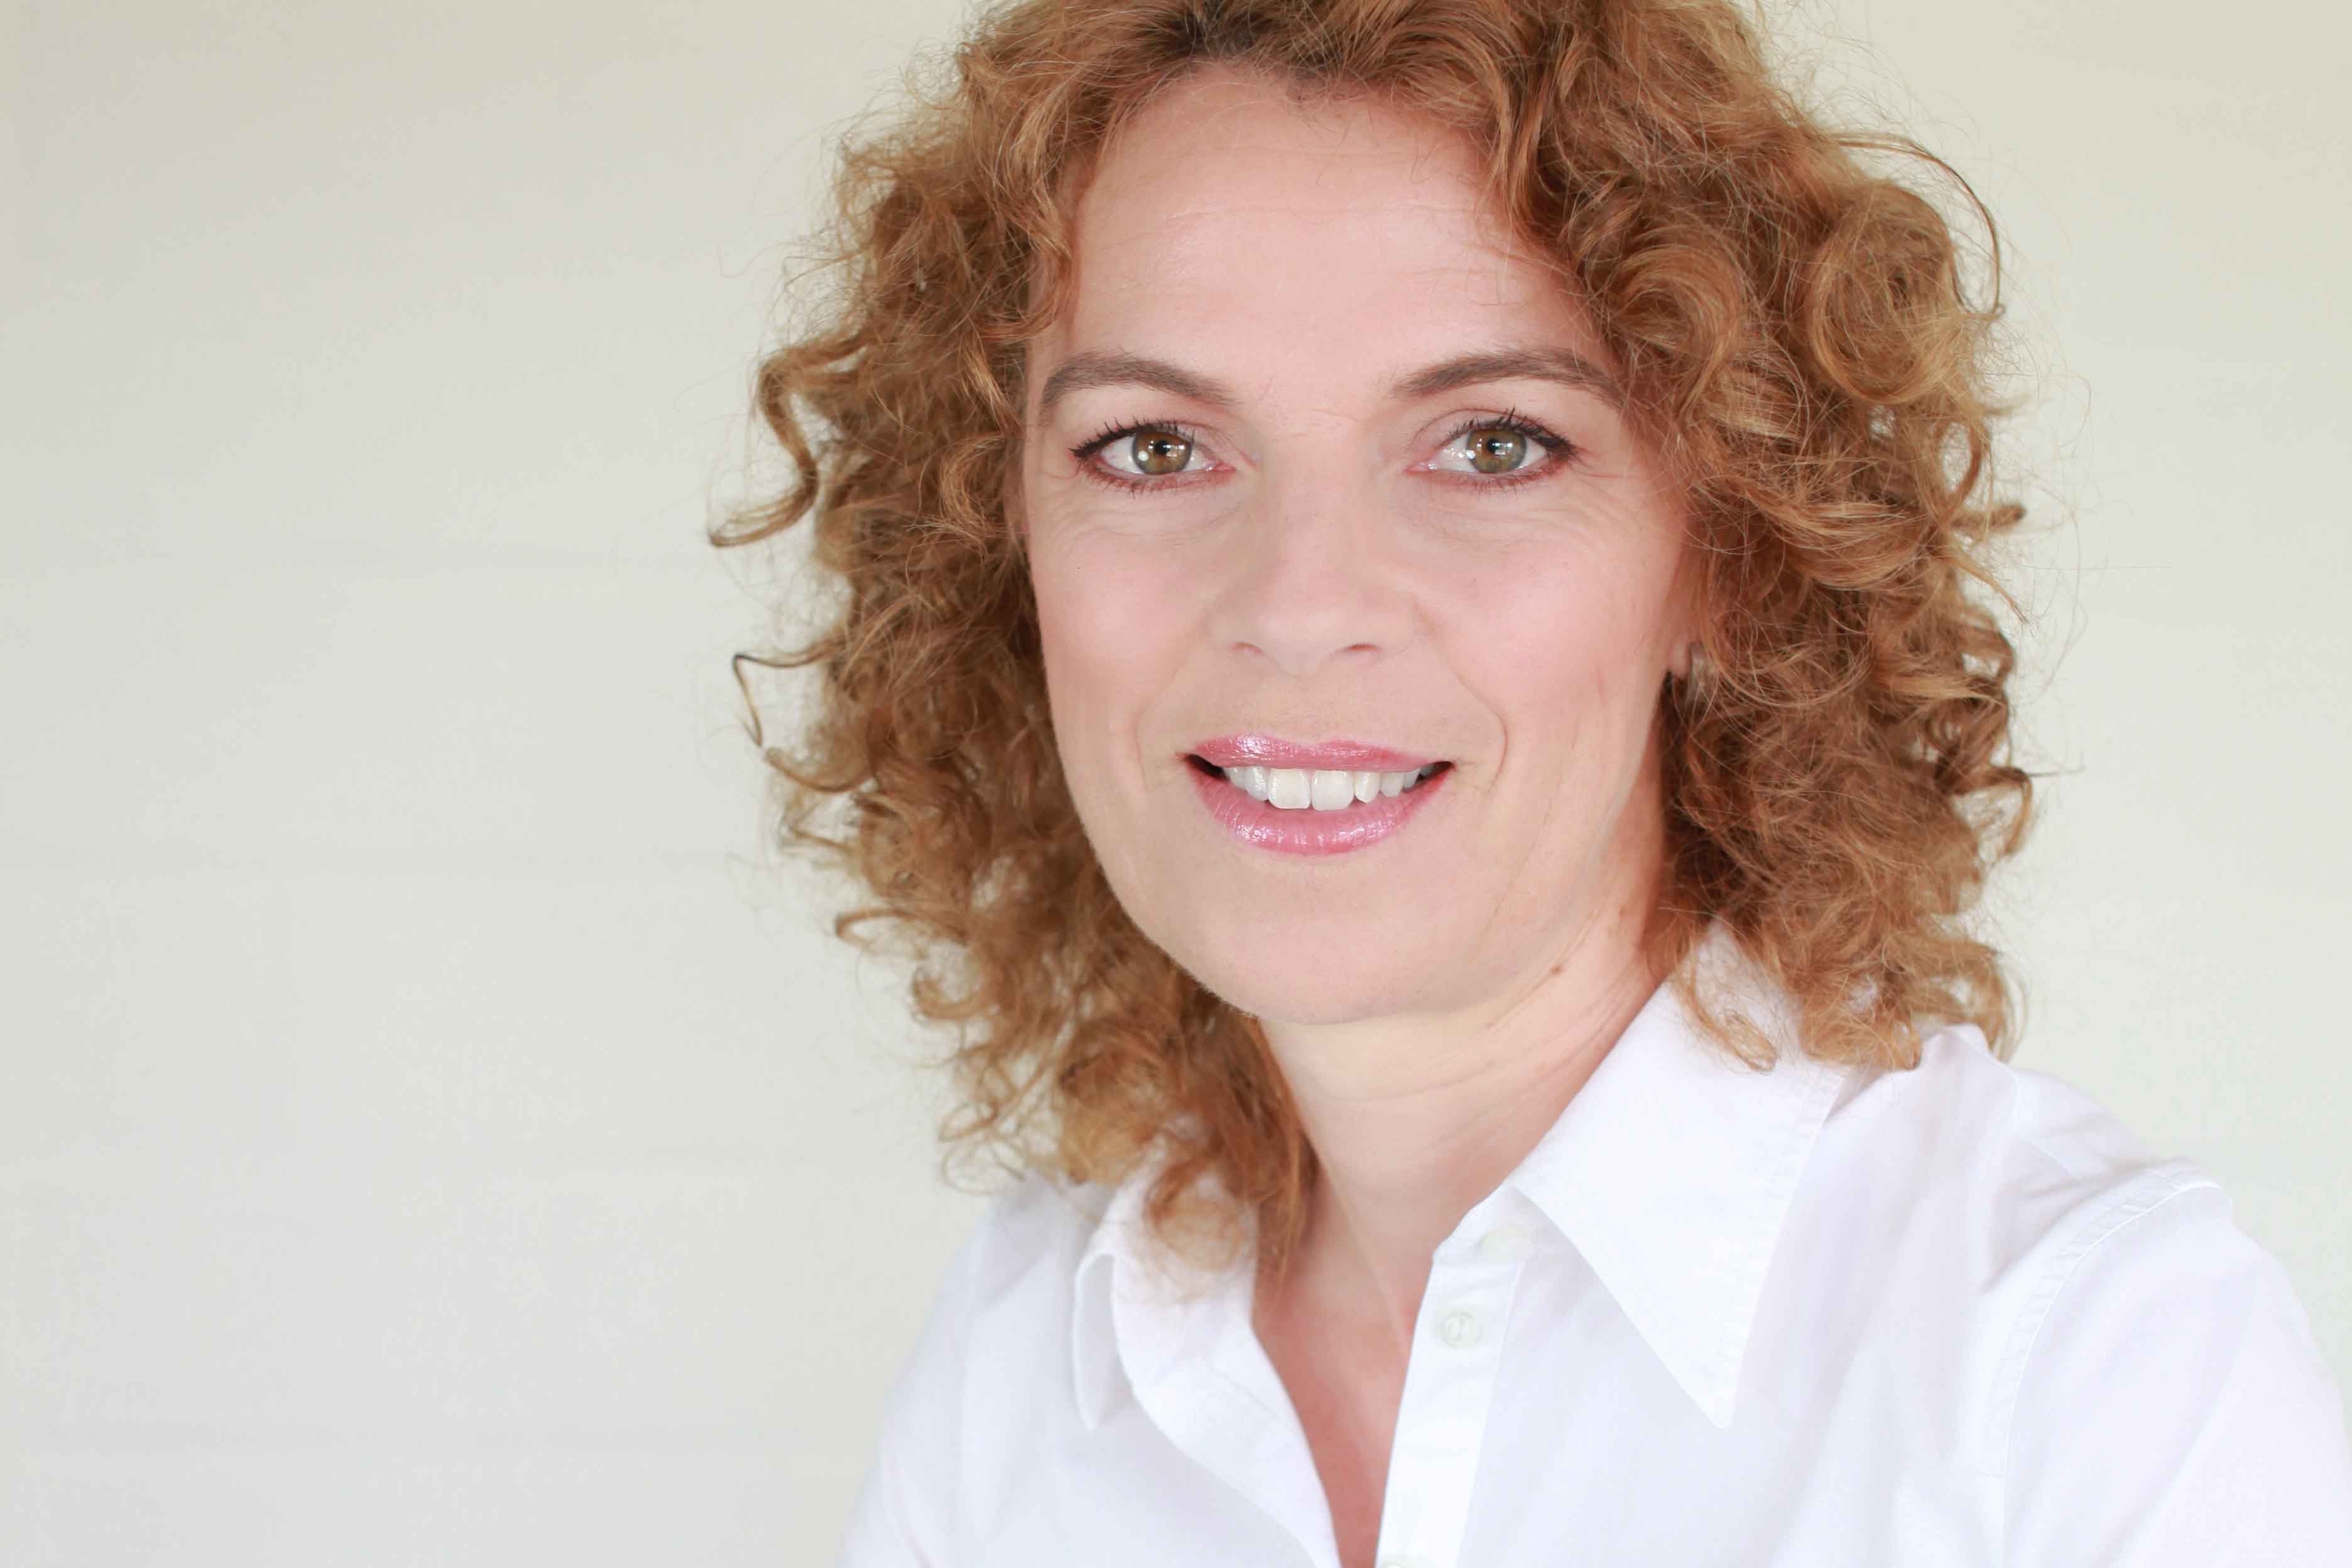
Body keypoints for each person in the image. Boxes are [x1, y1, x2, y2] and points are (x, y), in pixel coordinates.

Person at [719, 0, 2352, 1560]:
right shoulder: (1026, 1360)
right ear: (1001, 537)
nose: (1299, 605)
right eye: (1154, 447)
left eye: (1491, 443)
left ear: (1729, 551)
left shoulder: (2085, 1366)